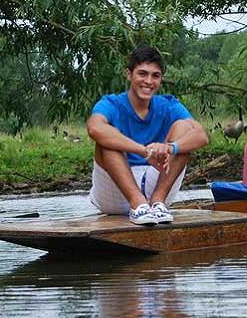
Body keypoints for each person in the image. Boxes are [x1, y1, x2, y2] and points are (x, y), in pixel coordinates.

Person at [86, 44, 209, 225]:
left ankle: (158, 203)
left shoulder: (169, 104)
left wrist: (169, 147)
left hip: (156, 185)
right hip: (115, 191)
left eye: (155, 76)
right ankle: (138, 205)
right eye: (142, 74)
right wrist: (144, 151)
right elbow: (94, 129)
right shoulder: (111, 103)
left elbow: (201, 136)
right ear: (129, 74)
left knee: (184, 128)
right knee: (107, 138)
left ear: (161, 79)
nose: (149, 81)